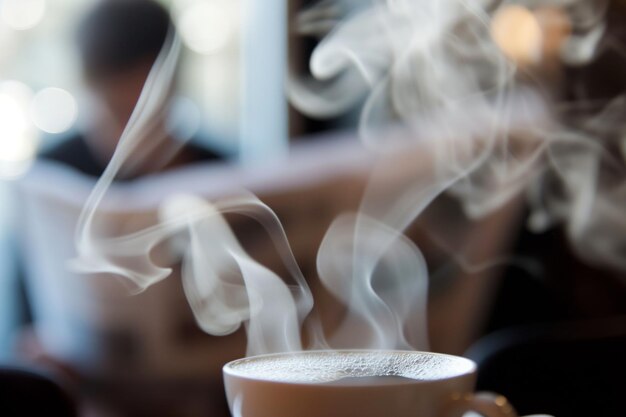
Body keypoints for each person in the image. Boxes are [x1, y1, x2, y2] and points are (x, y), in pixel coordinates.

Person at [42, 0, 223, 179]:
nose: (130, 134)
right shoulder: (48, 172)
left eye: (147, 113)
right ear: (88, 90)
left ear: (173, 86)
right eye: (119, 112)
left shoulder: (222, 175)